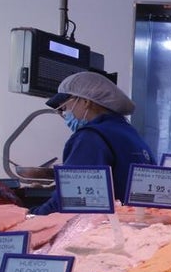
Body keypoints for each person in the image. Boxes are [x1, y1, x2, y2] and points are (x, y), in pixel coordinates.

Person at [32, 71, 156, 214]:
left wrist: (33, 216)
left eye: (65, 108)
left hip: (103, 228)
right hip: (131, 224)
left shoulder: (90, 137)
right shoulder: (129, 132)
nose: (65, 115)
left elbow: (71, 199)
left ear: (85, 102)